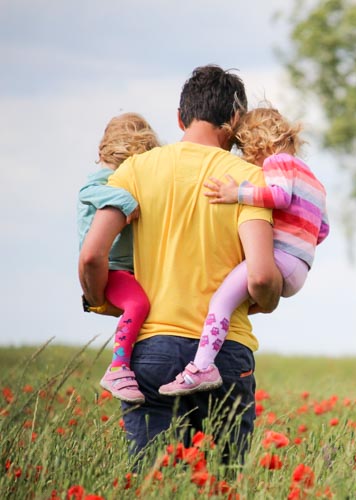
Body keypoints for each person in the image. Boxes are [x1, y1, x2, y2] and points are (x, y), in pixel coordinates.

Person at [78, 65, 282, 463]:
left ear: (179, 117)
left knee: (153, 481)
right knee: (221, 484)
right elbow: (260, 276)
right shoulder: (248, 180)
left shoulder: (134, 170)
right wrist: (269, 298)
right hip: (224, 353)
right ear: (236, 119)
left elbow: (91, 255)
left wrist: (100, 298)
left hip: (150, 350)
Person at [159, 106, 329, 396]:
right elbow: (322, 230)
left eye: (245, 149)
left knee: (221, 301)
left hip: (280, 259)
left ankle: (202, 367)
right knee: (236, 300)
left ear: (257, 142)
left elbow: (279, 196)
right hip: (300, 267)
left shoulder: (278, 162)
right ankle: (211, 351)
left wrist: (236, 193)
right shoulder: (313, 179)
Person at [77, 113, 159, 404]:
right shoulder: (104, 179)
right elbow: (88, 191)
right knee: (138, 304)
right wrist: (126, 201)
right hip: (111, 268)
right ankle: (118, 367)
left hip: (127, 268)